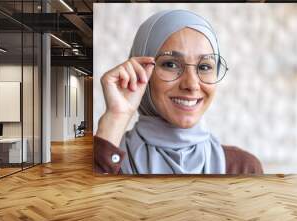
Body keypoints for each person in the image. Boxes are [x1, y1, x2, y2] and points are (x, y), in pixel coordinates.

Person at [94, 9, 262, 175]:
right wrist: (116, 117)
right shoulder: (108, 161)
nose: (192, 84)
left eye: (204, 67)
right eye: (171, 64)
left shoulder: (243, 168)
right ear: (140, 71)